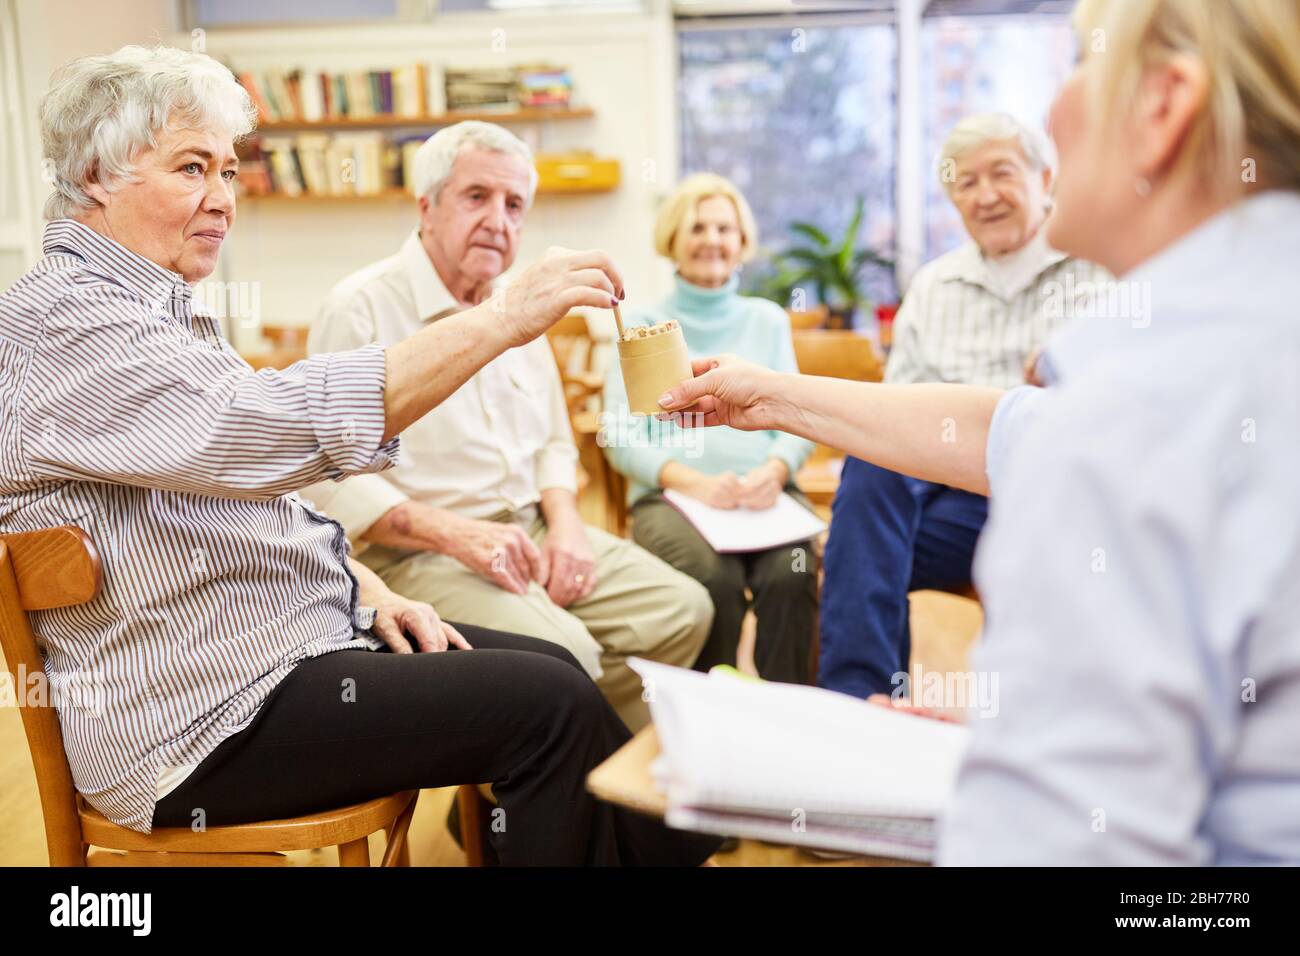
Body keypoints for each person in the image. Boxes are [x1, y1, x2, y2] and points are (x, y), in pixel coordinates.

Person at [0, 44, 719, 866]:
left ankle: (661, 850)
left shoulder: (153, 312)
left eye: (229, 171)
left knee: (551, 663)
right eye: (193, 168)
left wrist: (366, 590)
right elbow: (264, 430)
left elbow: (264, 496)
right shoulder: (65, 324)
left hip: (275, 653)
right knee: (548, 701)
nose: (223, 199)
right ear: (97, 173)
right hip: (198, 718)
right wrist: (500, 320)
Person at [655, 0, 1300, 864]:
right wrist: (772, 396)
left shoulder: (1158, 393)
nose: (1059, 106)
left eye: (1082, 63)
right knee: (870, 481)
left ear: (1164, 106)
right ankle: (855, 709)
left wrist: (997, 778)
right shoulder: (1236, 339)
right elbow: (1000, 427)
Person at [300, 122, 711, 732]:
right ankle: (538, 798)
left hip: (533, 527)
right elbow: (327, 478)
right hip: (419, 553)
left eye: (514, 204)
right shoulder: (360, 306)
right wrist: (458, 536)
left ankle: (579, 780)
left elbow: (552, 444)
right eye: (477, 197)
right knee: (569, 655)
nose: (499, 219)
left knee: (684, 611)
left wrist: (568, 527)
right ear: (427, 206)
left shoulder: (523, 306)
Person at [819, 112, 1109, 700]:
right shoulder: (933, 285)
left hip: (1056, 497)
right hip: (953, 505)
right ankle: (858, 702)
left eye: (1001, 175)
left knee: (862, 550)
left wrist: (1072, 372)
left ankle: (1018, 728)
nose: (985, 196)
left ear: (1044, 176)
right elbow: (893, 418)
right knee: (871, 474)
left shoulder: (1099, 267)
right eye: (965, 184)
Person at [602, 173, 816, 684]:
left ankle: (788, 714)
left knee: (793, 573)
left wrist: (775, 467)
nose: (712, 240)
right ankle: (704, 717)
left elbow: (798, 419)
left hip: (764, 496)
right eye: (698, 227)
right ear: (672, 240)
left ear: (742, 243)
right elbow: (618, 433)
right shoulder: (641, 324)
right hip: (671, 496)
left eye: (725, 228)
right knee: (710, 582)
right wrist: (694, 483)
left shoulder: (766, 320)